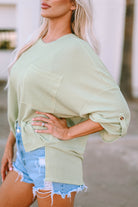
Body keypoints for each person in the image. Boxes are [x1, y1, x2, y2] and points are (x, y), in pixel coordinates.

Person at [0, 0, 130, 207]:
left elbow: (117, 111)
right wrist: (10, 143)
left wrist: (68, 133)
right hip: (24, 153)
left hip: (53, 157)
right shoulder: (34, 43)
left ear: (73, 4)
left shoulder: (77, 50)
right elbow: (26, 101)